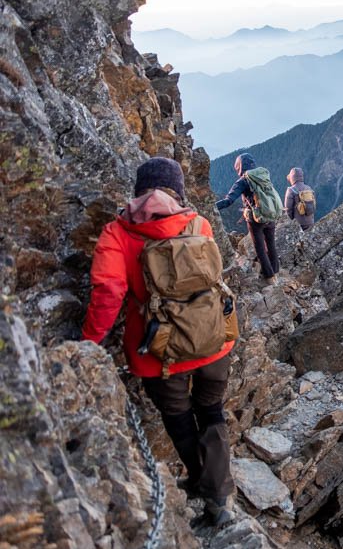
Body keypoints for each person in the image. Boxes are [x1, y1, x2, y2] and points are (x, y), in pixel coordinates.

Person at [82, 157, 235, 527]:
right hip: (213, 338)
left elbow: (108, 293)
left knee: (179, 418)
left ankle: (205, 486)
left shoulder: (117, 234)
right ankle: (218, 499)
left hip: (160, 352)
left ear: (139, 190)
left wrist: (87, 344)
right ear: (178, 191)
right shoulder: (199, 223)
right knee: (211, 411)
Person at [216, 153, 279, 284]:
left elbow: (229, 200)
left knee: (260, 248)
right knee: (271, 245)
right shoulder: (263, 175)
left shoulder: (243, 180)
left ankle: (270, 278)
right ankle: (276, 272)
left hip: (255, 219)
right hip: (270, 214)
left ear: (239, 167)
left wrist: (211, 207)